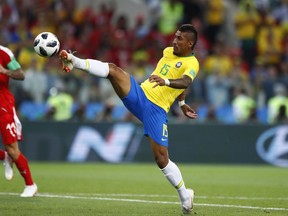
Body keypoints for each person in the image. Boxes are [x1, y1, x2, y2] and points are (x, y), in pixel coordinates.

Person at [59, 24, 199, 214]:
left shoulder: (193, 63)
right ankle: (74, 61)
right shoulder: (168, 51)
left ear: (190, 43)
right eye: (175, 36)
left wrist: (175, 96)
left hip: (156, 110)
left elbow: (185, 82)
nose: (174, 41)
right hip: (140, 94)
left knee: (161, 159)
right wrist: (181, 104)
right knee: (113, 70)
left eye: (180, 39)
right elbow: (181, 82)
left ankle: (185, 196)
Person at [0, 45, 37, 197]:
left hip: (3, 105)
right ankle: (4, 157)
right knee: (9, 152)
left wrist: (4, 71)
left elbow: (20, 74)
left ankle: (30, 185)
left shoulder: (4, 53)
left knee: (12, 149)